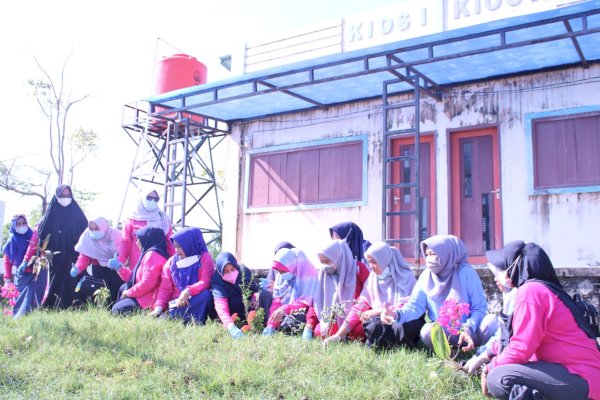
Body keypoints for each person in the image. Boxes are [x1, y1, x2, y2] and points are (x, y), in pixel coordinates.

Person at [482, 241, 600, 400]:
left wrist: (490, 367)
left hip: (580, 378)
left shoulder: (531, 291)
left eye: (502, 267)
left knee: (499, 377)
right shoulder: (541, 289)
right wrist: (487, 354)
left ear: (513, 267)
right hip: (579, 375)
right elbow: (516, 338)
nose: (498, 273)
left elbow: (521, 348)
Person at [383, 235, 495, 351]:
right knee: (427, 331)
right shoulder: (426, 276)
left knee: (492, 321)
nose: (428, 259)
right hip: (444, 335)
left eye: (432, 254)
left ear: (447, 253)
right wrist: (396, 314)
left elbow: (479, 308)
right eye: (426, 255)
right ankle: (447, 354)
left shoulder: (466, 273)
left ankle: (482, 351)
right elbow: (415, 307)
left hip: (470, 332)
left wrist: (467, 328)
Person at [325, 241, 420, 348]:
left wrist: (376, 311)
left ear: (384, 260)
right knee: (372, 324)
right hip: (381, 319)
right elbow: (361, 305)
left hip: (402, 318)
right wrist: (338, 335)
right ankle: (384, 345)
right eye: (369, 262)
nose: (371, 266)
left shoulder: (406, 277)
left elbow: (408, 306)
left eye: (374, 262)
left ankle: (392, 345)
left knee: (400, 326)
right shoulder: (373, 278)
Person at [20, 184, 88, 309]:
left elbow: (87, 239)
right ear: (56, 196)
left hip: (74, 259)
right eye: (62, 195)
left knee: (73, 289)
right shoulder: (47, 218)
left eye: (68, 195)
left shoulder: (78, 216)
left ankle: (75, 308)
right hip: (53, 260)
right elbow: (36, 241)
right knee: (53, 288)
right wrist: (26, 260)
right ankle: (51, 308)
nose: (65, 198)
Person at [463, 251, 518, 375]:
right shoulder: (510, 294)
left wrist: (482, 357)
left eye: (498, 274)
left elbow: (506, 337)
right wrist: (480, 354)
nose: (494, 278)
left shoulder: (517, 296)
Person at [304, 239, 367, 341]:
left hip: (355, 317)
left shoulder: (358, 269)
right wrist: (309, 325)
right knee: (320, 331)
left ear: (338, 257)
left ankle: (343, 334)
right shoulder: (323, 274)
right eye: (322, 262)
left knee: (359, 331)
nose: (325, 265)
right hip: (333, 318)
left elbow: (367, 297)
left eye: (327, 261)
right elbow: (317, 302)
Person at [151, 227, 215, 324]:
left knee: (207, 296)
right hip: (177, 303)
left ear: (189, 244)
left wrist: (188, 291)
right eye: (175, 246)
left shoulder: (204, 258)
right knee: (175, 307)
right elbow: (165, 288)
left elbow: (205, 281)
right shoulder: (172, 263)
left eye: (180, 246)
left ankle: (175, 318)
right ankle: (173, 316)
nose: (177, 250)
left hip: (195, 297)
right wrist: (158, 307)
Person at [113, 188, 175, 272]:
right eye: (149, 198)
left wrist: (175, 259)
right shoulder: (132, 218)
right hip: (137, 262)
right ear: (142, 198)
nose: (152, 201)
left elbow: (170, 240)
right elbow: (125, 241)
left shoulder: (163, 218)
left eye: (155, 199)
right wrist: (121, 261)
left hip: (159, 262)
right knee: (138, 283)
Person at [111, 226, 168, 316]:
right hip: (145, 294)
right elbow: (135, 278)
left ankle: (148, 315)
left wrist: (129, 293)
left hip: (149, 299)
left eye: (138, 239)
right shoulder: (149, 253)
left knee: (117, 310)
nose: (136, 242)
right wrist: (119, 268)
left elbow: (147, 283)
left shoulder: (153, 255)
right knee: (123, 288)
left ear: (147, 239)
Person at [262, 247, 317, 336]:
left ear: (292, 265)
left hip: (304, 312)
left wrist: (284, 309)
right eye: (279, 271)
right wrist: (271, 324)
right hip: (286, 310)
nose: (281, 274)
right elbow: (277, 301)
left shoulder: (309, 275)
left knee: (290, 323)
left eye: (283, 271)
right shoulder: (280, 276)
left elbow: (306, 301)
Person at [70, 217, 123, 303]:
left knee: (115, 293)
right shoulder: (87, 236)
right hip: (98, 269)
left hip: (115, 270)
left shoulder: (116, 235)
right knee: (99, 294)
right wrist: (77, 268)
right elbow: (84, 257)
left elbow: (125, 253)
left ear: (103, 227)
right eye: (91, 229)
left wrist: (119, 263)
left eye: (97, 228)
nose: (94, 231)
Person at [211, 251, 258, 338]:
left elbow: (253, 290)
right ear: (220, 271)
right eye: (225, 271)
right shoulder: (217, 280)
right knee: (235, 301)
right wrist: (230, 325)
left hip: (247, 308)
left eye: (233, 269)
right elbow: (220, 304)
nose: (230, 273)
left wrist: (253, 299)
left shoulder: (244, 272)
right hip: (231, 312)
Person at [257, 241, 295, 324]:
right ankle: (268, 322)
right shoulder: (276, 267)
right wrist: (271, 285)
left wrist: (275, 285)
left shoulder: (297, 265)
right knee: (265, 294)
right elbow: (271, 284)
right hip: (278, 295)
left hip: (293, 295)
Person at [3, 215, 33, 285]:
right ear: (14, 226)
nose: (22, 225)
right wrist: (7, 278)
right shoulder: (11, 242)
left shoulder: (33, 237)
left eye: (24, 223)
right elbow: (7, 262)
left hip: (36, 274)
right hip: (21, 276)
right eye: (18, 224)